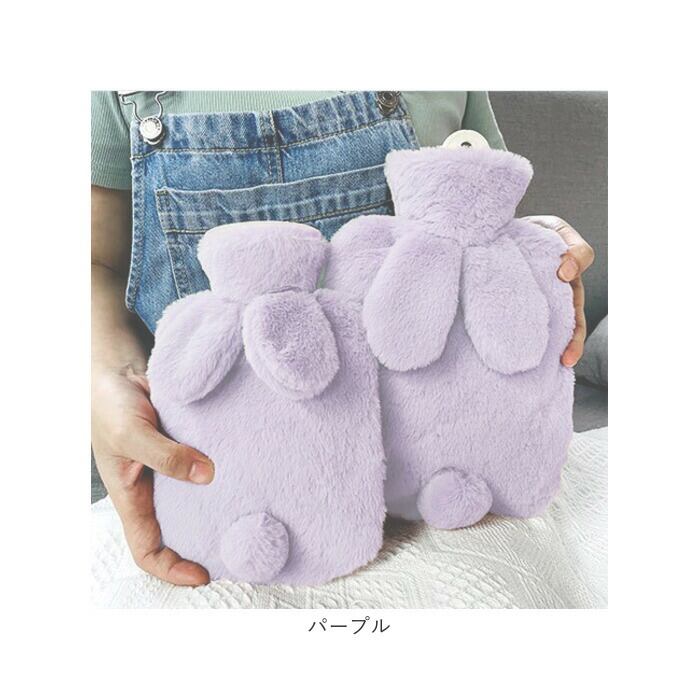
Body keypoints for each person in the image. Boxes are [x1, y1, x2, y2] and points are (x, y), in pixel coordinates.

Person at [91, 91, 594, 586]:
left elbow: (472, 189)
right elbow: (94, 263)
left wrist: (534, 255)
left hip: (473, 511)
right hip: (211, 508)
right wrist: (104, 378)